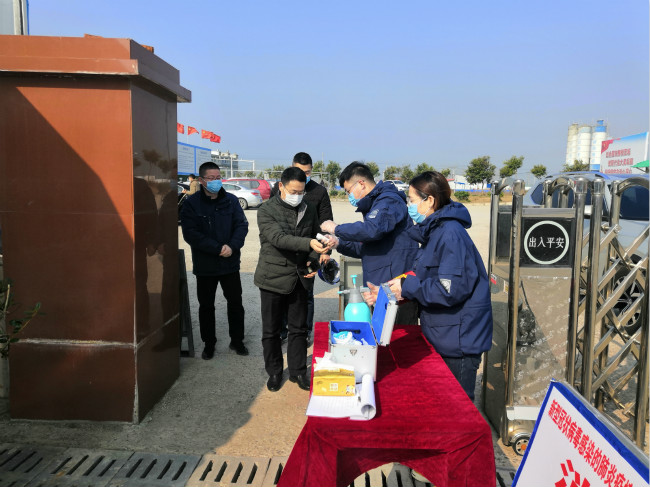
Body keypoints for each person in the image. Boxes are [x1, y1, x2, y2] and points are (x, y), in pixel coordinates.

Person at [368, 171, 493, 401]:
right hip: (444, 333)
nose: (409, 206)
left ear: (430, 201)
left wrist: (406, 287)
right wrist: (391, 291)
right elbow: (424, 275)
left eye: (412, 200)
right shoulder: (434, 231)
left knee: (456, 406)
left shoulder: (450, 234)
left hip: (457, 341)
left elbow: (449, 290)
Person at [254, 167, 331, 392]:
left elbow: (316, 236)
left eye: (301, 192)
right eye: (293, 191)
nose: (297, 196)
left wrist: (314, 261)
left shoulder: (309, 209)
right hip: (272, 278)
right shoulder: (266, 210)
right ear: (281, 186)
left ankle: (298, 371)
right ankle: (275, 371)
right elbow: (278, 238)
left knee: (298, 329)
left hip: (300, 277)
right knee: (271, 331)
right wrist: (308, 244)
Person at [320, 162, 419, 323]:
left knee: (399, 334)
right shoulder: (374, 206)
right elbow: (365, 246)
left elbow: (372, 230)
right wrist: (338, 243)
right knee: (381, 333)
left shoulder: (388, 201)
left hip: (395, 288)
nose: (349, 196)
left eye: (348, 191)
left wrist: (337, 228)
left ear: (361, 183)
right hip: (380, 287)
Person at [180, 162, 249, 360]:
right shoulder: (192, 204)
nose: (216, 181)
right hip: (205, 266)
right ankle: (209, 344)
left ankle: (237, 341)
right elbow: (191, 234)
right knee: (206, 307)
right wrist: (217, 248)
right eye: (211, 178)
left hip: (230, 263)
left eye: (218, 177)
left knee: (235, 303)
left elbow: (241, 225)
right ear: (201, 180)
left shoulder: (231, 201)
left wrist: (232, 246)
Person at [270, 152, 333, 340]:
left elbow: (326, 223)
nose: (303, 175)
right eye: (299, 171)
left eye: (307, 172)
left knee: (306, 294)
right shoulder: (279, 187)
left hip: (309, 252)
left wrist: (325, 251)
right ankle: (282, 331)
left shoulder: (319, 192)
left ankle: (304, 332)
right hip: (284, 250)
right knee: (282, 292)